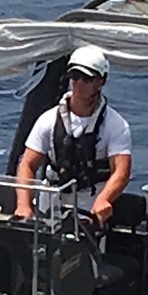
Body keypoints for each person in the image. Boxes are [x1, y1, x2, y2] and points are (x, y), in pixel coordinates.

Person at [13, 44, 133, 228]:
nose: (78, 83)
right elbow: (27, 164)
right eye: (74, 76)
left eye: (86, 78)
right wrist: (23, 205)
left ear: (100, 81)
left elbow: (121, 171)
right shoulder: (48, 120)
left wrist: (104, 201)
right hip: (50, 207)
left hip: (90, 211)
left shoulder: (116, 125)